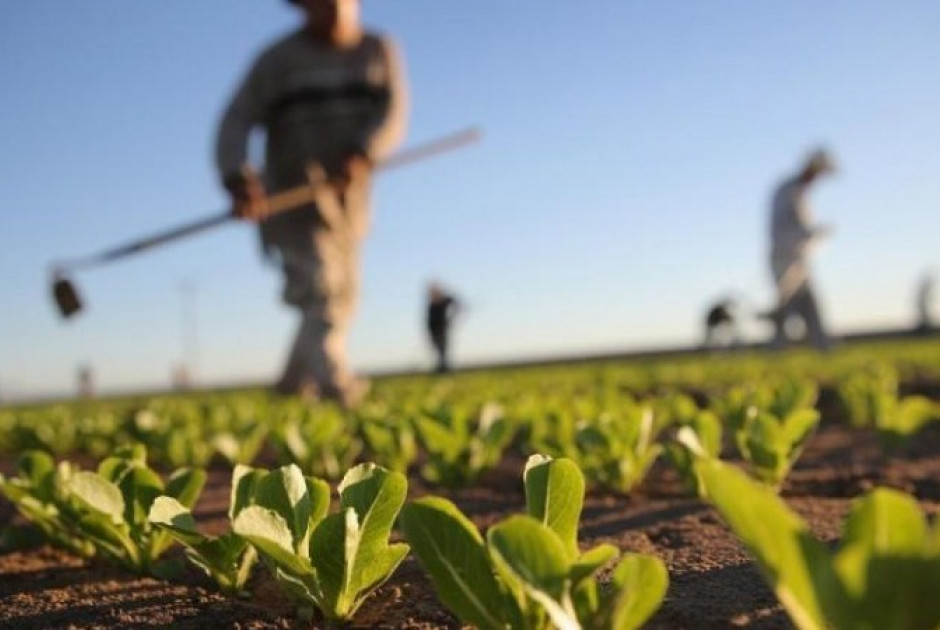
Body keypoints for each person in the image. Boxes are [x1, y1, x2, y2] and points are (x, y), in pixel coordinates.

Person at [215, 0, 408, 406]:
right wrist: (237, 177)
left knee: (343, 298)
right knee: (321, 292)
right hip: (292, 199)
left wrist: (364, 151)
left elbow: (392, 112)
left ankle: (289, 387)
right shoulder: (277, 60)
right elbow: (235, 121)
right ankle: (337, 388)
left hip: (348, 204)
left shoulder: (378, 50)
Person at [767, 149, 836, 351]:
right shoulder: (788, 191)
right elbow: (784, 229)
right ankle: (776, 350)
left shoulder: (798, 192)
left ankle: (823, 347)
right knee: (787, 306)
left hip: (798, 259)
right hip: (784, 259)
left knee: (809, 304)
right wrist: (813, 233)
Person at [426, 283, 461, 373]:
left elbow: (456, 304)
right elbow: (429, 320)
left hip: (442, 329)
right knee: (438, 350)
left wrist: (451, 318)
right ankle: (441, 366)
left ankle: (444, 368)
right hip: (433, 331)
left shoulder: (444, 300)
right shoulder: (431, 305)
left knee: (443, 349)